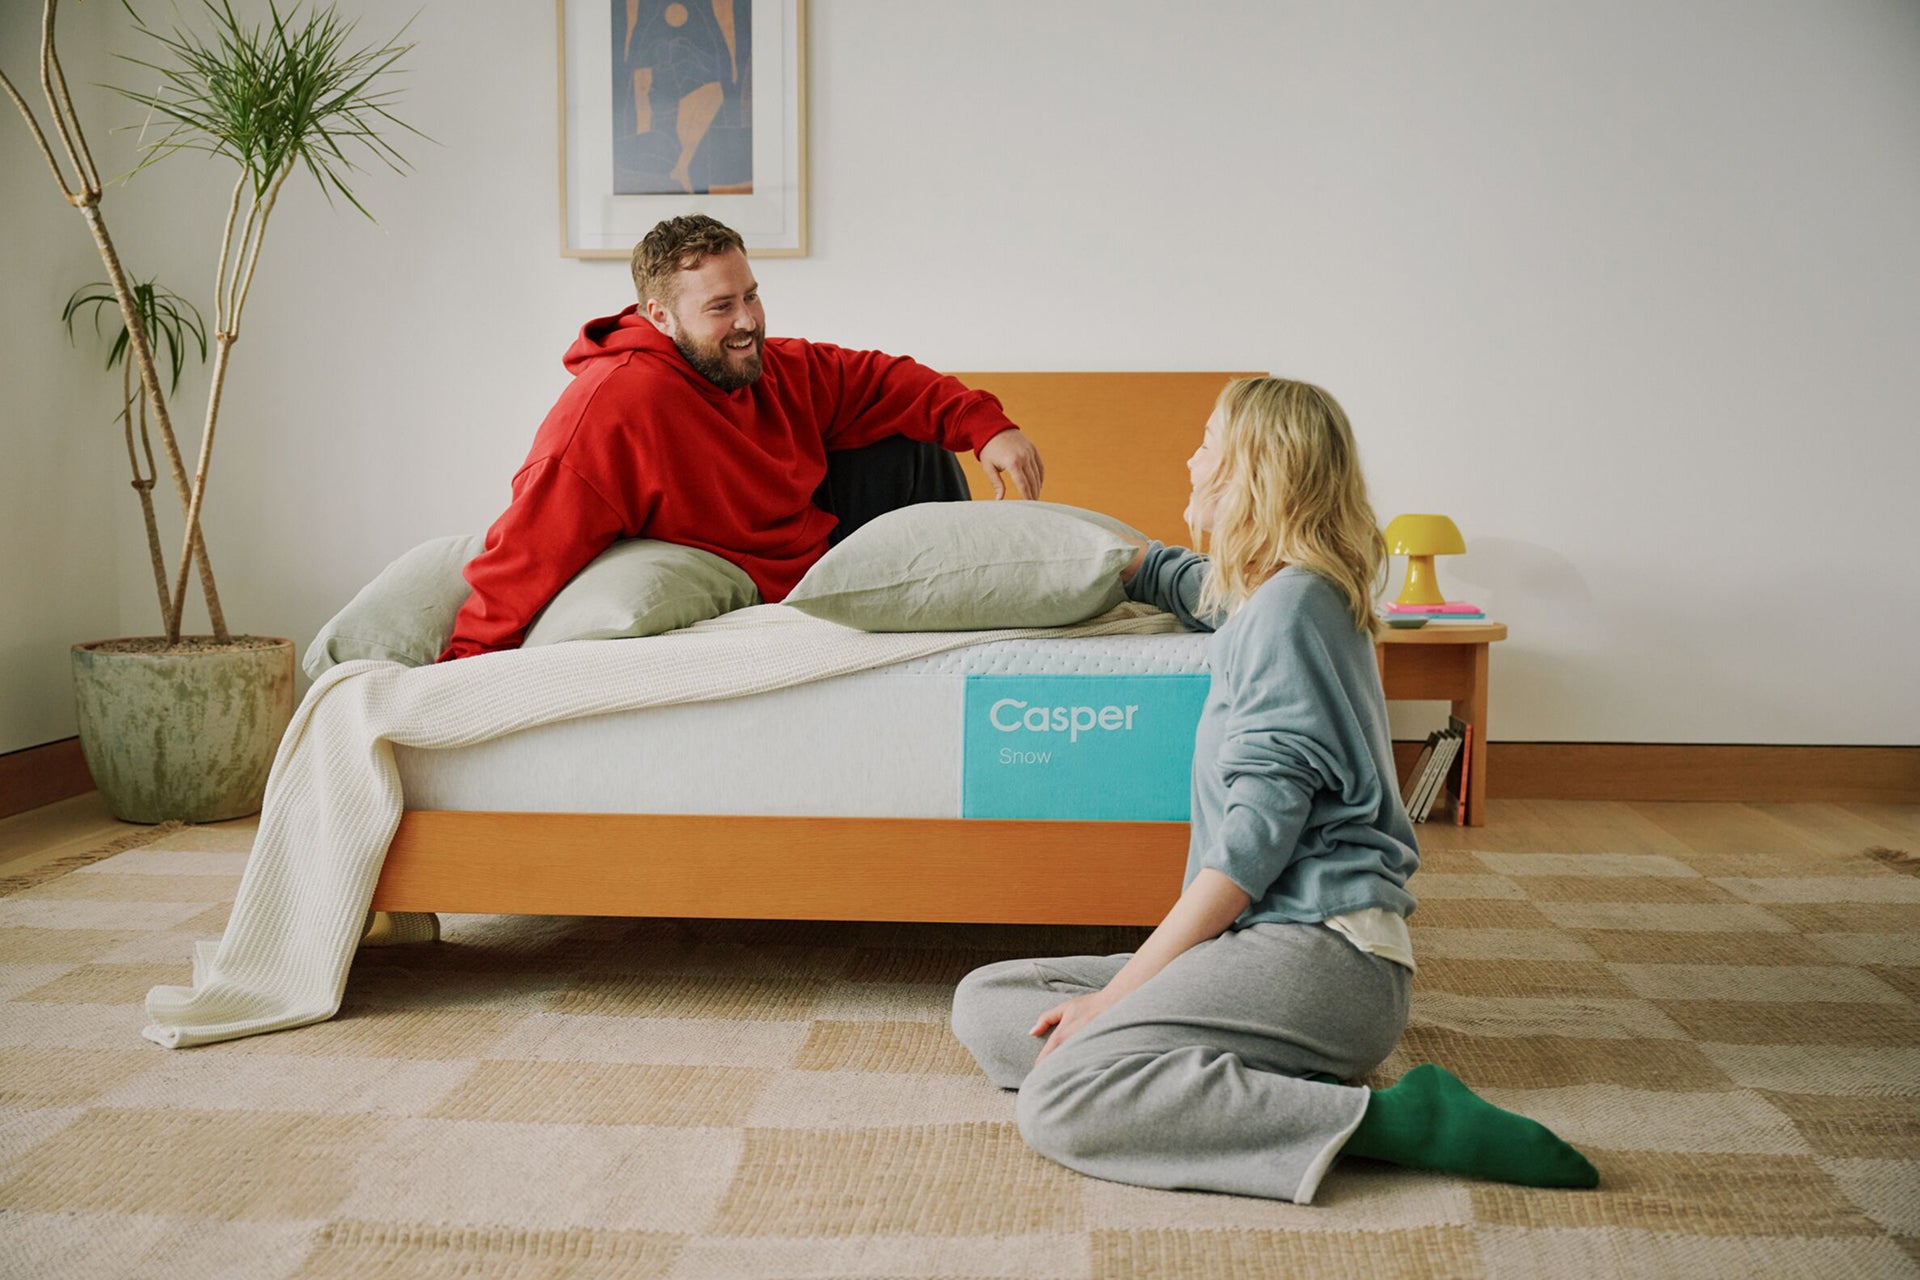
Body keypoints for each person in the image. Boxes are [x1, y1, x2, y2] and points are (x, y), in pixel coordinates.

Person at [949, 377, 1598, 1203]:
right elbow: (1205, 590)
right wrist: (1134, 566)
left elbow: (1248, 853)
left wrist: (1115, 995)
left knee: (1060, 1098)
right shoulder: (1279, 595)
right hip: (1270, 945)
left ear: (1253, 470)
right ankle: (1232, 1065)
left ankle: (1396, 1119)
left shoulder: (1291, 612)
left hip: (1323, 953)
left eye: (1206, 444)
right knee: (990, 1002)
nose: (1190, 461)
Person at [440, 215, 1043, 661]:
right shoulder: (615, 408)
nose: (748, 321)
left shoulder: (763, 365)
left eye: (751, 295)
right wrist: (466, 667)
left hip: (813, 548)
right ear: (660, 316)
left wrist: (988, 427)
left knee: (914, 446)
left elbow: (879, 378)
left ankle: (973, 625)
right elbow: (528, 550)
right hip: (754, 579)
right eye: (721, 306)